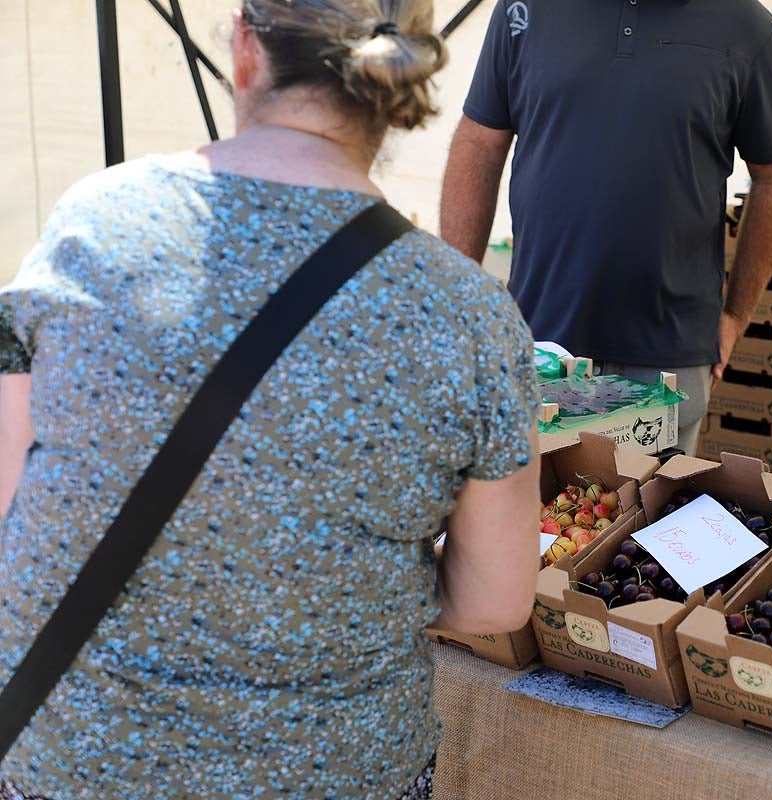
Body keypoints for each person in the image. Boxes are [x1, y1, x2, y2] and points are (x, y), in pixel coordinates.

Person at [0, 1, 542, 798]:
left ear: (246, 52)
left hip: (78, 763)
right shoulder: (468, 313)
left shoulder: (93, 223)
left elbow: (17, 503)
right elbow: (495, 601)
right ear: (396, 86)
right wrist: (334, 591)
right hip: (340, 774)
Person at [440, 0, 772, 455]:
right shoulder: (524, 9)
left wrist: (736, 315)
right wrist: (457, 296)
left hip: (668, 356)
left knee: (647, 520)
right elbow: (478, 143)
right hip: (540, 346)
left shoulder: (746, 25)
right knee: (540, 522)